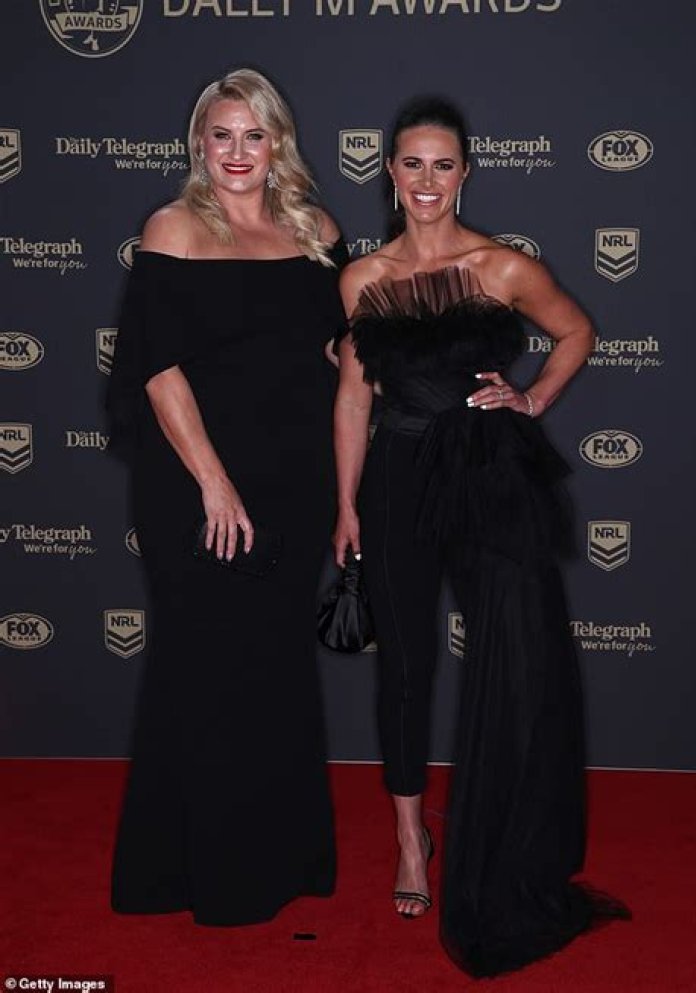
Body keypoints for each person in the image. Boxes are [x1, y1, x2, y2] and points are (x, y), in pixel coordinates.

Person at [333, 97, 628, 976]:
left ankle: (508, 840)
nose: (426, 180)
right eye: (411, 163)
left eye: (443, 164)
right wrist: (345, 503)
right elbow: (352, 397)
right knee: (406, 664)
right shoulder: (361, 279)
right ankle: (411, 839)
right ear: (390, 172)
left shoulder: (502, 266)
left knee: (518, 655)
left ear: (465, 172)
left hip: (489, 472)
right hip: (397, 475)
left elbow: (576, 330)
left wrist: (531, 398)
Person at [108, 68, 347, 926]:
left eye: (254, 135)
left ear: (278, 142)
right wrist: (213, 482)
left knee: (274, 666)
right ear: (199, 144)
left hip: (295, 479)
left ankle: (281, 857)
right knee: (204, 665)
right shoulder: (172, 228)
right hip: (195, 481)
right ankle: (194, 871)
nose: (238, 152)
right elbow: (156, 369)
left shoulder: (317, 230)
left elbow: (340, 355)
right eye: (222, 135)